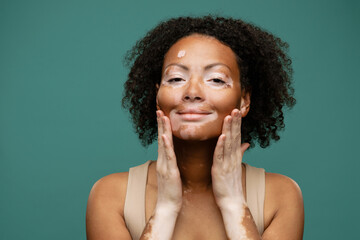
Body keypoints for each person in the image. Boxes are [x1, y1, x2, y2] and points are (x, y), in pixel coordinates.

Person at [86, 15, 304, 240]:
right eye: (176, 79)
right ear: (157, 96)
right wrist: (165, 209)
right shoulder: (110, 196)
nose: (192, 91)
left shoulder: (281, 196)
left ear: (244, 100)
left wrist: (233, 205)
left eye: (216, 79)